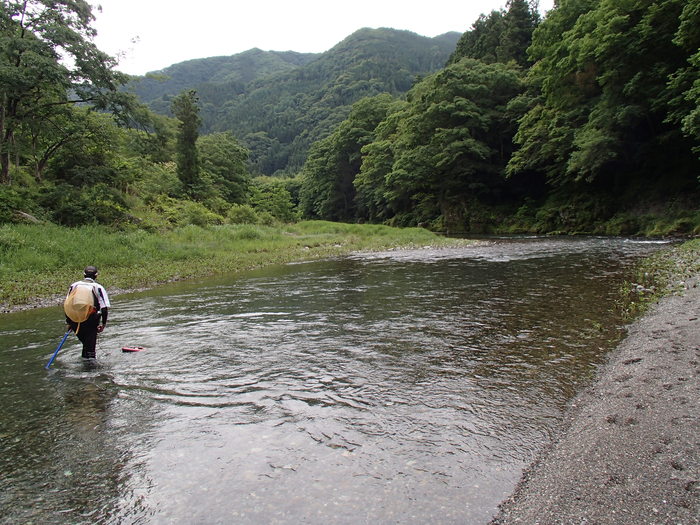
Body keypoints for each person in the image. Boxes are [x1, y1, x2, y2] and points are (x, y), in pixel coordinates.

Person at [65, 266, 111, 359]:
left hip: (75, 321)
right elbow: (104, 308)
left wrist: (69, 322)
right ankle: (91, 369)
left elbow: (67, 304)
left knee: (86, 344)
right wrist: (103, 324)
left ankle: (85, 362)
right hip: (90, 321)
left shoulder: (74, 285)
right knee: (90, 350)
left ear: (84, 275)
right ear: (96, 275)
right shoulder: (98, 287)